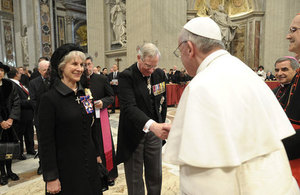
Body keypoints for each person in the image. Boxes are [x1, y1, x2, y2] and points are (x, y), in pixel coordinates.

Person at [163, 17, 299, 194]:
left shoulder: (201, 85)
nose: (180, 58)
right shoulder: (246, 73)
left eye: (179, 52)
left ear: (189, 48)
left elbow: (202, 176)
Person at [38, 44, 102, 195]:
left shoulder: (84, 95)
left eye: (82, 64)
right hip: (66, 170)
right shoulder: (49, 99)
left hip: (89, 165)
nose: (80, 68)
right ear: (61, 67)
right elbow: (45, 141)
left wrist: (97, 155)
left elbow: (92, 126)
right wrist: (51, 177)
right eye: (74, 64)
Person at [116, 43, 170, 195]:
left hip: (154, 134)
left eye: (154, 66)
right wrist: (153, 125)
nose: (151, 70)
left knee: (155, 174)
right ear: (139, 58)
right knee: (135, 178)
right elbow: (129, 108)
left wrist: (160, 122)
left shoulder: (158, 74)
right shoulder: (127, 76)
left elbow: (162, 101)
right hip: (134, 133)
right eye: (148, 66)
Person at [84, 56, 118, 186]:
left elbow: (111, 97)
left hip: (101, 117)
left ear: (93, 64)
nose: (87, 68)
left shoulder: (102, 79)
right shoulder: (80, 81)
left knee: (104, 145)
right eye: (84, 65)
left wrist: (102, 102)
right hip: (86, 119)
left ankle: (109, 175)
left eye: (89, 64)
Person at [273, 56, 300, 186]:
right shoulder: (273, 91)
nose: (279, 73)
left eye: (284, 69)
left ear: (296, 71)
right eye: (276, 70)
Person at [7, 68, 35, 160]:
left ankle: (30, 149)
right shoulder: (11, 84)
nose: (21, 74)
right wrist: (30, 102)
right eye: (19, 73)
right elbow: (16, 101)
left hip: (28, 113)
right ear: (16, 74)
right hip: (21, 113)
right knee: (20, 134)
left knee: (29, 132)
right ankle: (19, 153)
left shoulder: (19, 83)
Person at [0, 62, 20, 185]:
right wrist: (1, 121)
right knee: (0, 149)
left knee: (9, 148)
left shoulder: (9, 84)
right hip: (0, 124)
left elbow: (16, 102)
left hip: (10, 123)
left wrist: (11, 119)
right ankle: (2, 173)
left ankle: (10, 170)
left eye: (2, 70)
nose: (0, 73)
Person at [29, 60, 50, 175]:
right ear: (39, 71)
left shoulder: (54, 80)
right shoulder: (33, 83)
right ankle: (42, 164)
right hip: (41, 117)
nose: (47, 72)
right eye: (44, 70)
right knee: (42, 143)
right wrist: (46, 110)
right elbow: (33, 101)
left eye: (48, 69)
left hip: (55, 117)